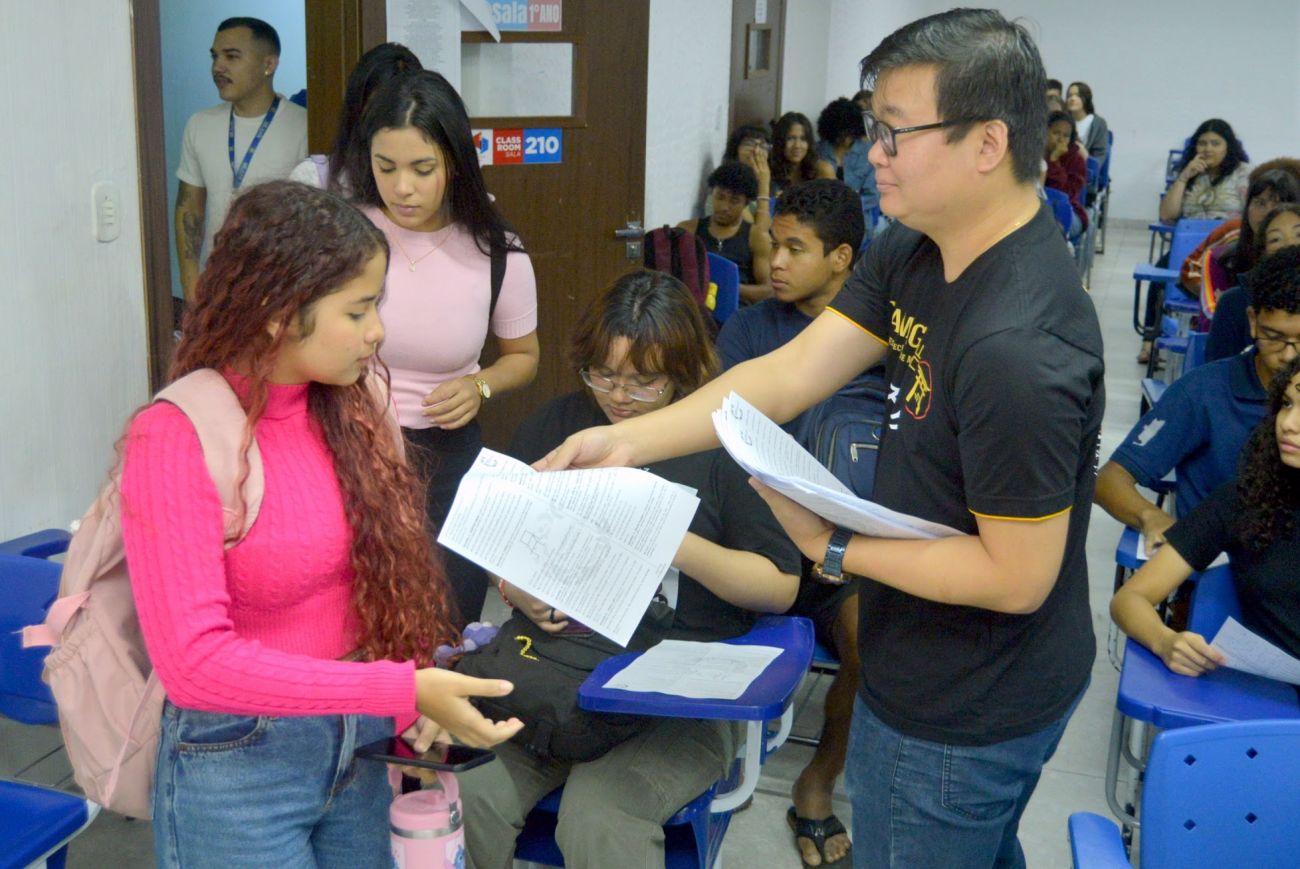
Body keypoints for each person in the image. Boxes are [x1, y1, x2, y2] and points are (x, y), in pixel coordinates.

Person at [538, 10, 1104, 867]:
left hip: (968, 696)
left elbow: (1018, 577)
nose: (875, 152)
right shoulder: (919, 246)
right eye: (875, 125)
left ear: (988, 143)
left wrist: (833, 546)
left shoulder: (1018, 344)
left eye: (896, 131)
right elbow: (790, 372)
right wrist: (626, 443)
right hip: (924, 647)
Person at [121, 181, 523, 866]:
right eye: (358, 309)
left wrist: (415, 694)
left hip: (359, 744)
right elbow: (193, 665)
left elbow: (384, 576)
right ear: (279, 313)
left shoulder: (356, 406)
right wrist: (398, 687)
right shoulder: (176, 434)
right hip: (237, 762)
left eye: (377, 305)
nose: (378, 331)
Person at [458, 270, 800, 869]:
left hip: (675, 695)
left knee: (600, 816)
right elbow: (501, 540)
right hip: (554, 675)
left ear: (685, 371)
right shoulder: (560, 425)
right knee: (469, 789)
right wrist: (515, 586)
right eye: (604, 375)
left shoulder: (726, 445)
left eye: (645, 382)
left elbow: (779, 586)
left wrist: (672, 542)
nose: (619, 397)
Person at [348, 70, 540, 629]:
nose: (402, 187)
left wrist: (480, 385)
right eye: (386, 167)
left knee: (445, 619)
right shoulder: (347, 235)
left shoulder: (497, 251)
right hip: (352, 444)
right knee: (359, 615)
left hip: (447, 454)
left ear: (455, 162)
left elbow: (524, 357)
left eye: (422, 168)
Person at [715, 178, 867, 868]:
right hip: (756, 538)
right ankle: (698, 752)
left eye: (794, 249)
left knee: (871, 636)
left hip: (848, 550)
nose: (773, 262)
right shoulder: (750, 329)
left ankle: (818, 779)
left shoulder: (883, 338)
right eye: (773, 244)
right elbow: (718, 435)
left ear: (841, 258)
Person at [1095, 243, 1300, 554]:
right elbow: (1110, 479)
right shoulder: (1205, 392)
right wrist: (1150, 516)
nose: (1289, 355)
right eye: (1274, 337)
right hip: (1214, 565)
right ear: (1253, 321)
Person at [1111, 356, 1300, 674]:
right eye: (1286, 404)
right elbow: (1130, 599)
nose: (1289, 423)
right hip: (1267, 697)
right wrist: (1164, 640)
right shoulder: (1245, 500)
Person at [175, 17, 308, 302]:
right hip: (215, 289)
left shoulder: (304, 127)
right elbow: (189, 207)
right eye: (215, 56)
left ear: (269, 64)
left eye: (231, 56)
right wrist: (190, 286)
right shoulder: (200, 124)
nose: (218, 67)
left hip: (279, 293)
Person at [288, 42, 421, 192]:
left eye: (397, 108)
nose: (387, 121)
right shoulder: (312, 179)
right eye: (376, 108)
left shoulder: (430, 183)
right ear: (357, 108)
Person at [1206, 185, 1300, 363]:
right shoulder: (1234, 302)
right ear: (1263, 252)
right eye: (1275, 239)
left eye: (1299, 235)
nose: (1289, 244)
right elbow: (1218, 370)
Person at [678, 161, 773, 303]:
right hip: (696, 307)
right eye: (720, 197)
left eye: (734, 201)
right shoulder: (688, 230)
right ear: (712, 194)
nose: (724, 207)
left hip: (738, 309)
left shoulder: (757, 237)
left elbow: (769, 291)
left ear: (746, 203)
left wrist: (730, 287)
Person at [1159, 118, 1251, 223]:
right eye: (1202, 144)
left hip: (1229, 232)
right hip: (1191, 232)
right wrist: (1182, 179)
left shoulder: (1243, 172)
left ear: (1228, 147)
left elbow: (1254, 215)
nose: (1208, 149)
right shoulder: (1190, 172)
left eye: (1215, 144)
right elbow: (1166, 215)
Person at [815, 97, 880, 242]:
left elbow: (872, 196)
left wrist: (844, 207)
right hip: (822, 219)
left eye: (849, 133)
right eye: (841, 133)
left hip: (857, 221)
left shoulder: (869, 153)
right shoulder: (819, 150)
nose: (845, 139)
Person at [1044, 110, 1089, 236]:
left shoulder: (1076, 160)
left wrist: (1054, 161)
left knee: (1050, 222)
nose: (1060, 139)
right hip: (1040, 209)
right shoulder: (1035, 154)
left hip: (1069, 211)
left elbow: (1065, 195)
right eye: (1056, 133)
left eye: (1066, 136)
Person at [771, 111, 835, 195]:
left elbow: (836, 201)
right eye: (790, 138)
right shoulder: (768, 168)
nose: (797, 145)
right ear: (780, 141)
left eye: (803, 139)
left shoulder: (823, 170)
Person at [1065, 81, 1109, 162]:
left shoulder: (1098, 123)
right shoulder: (1063, 121)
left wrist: (1086, 157)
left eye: (1078, 95)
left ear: (1086, 99)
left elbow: (1099, 155)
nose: (1072, 99)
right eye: (1069, 96)